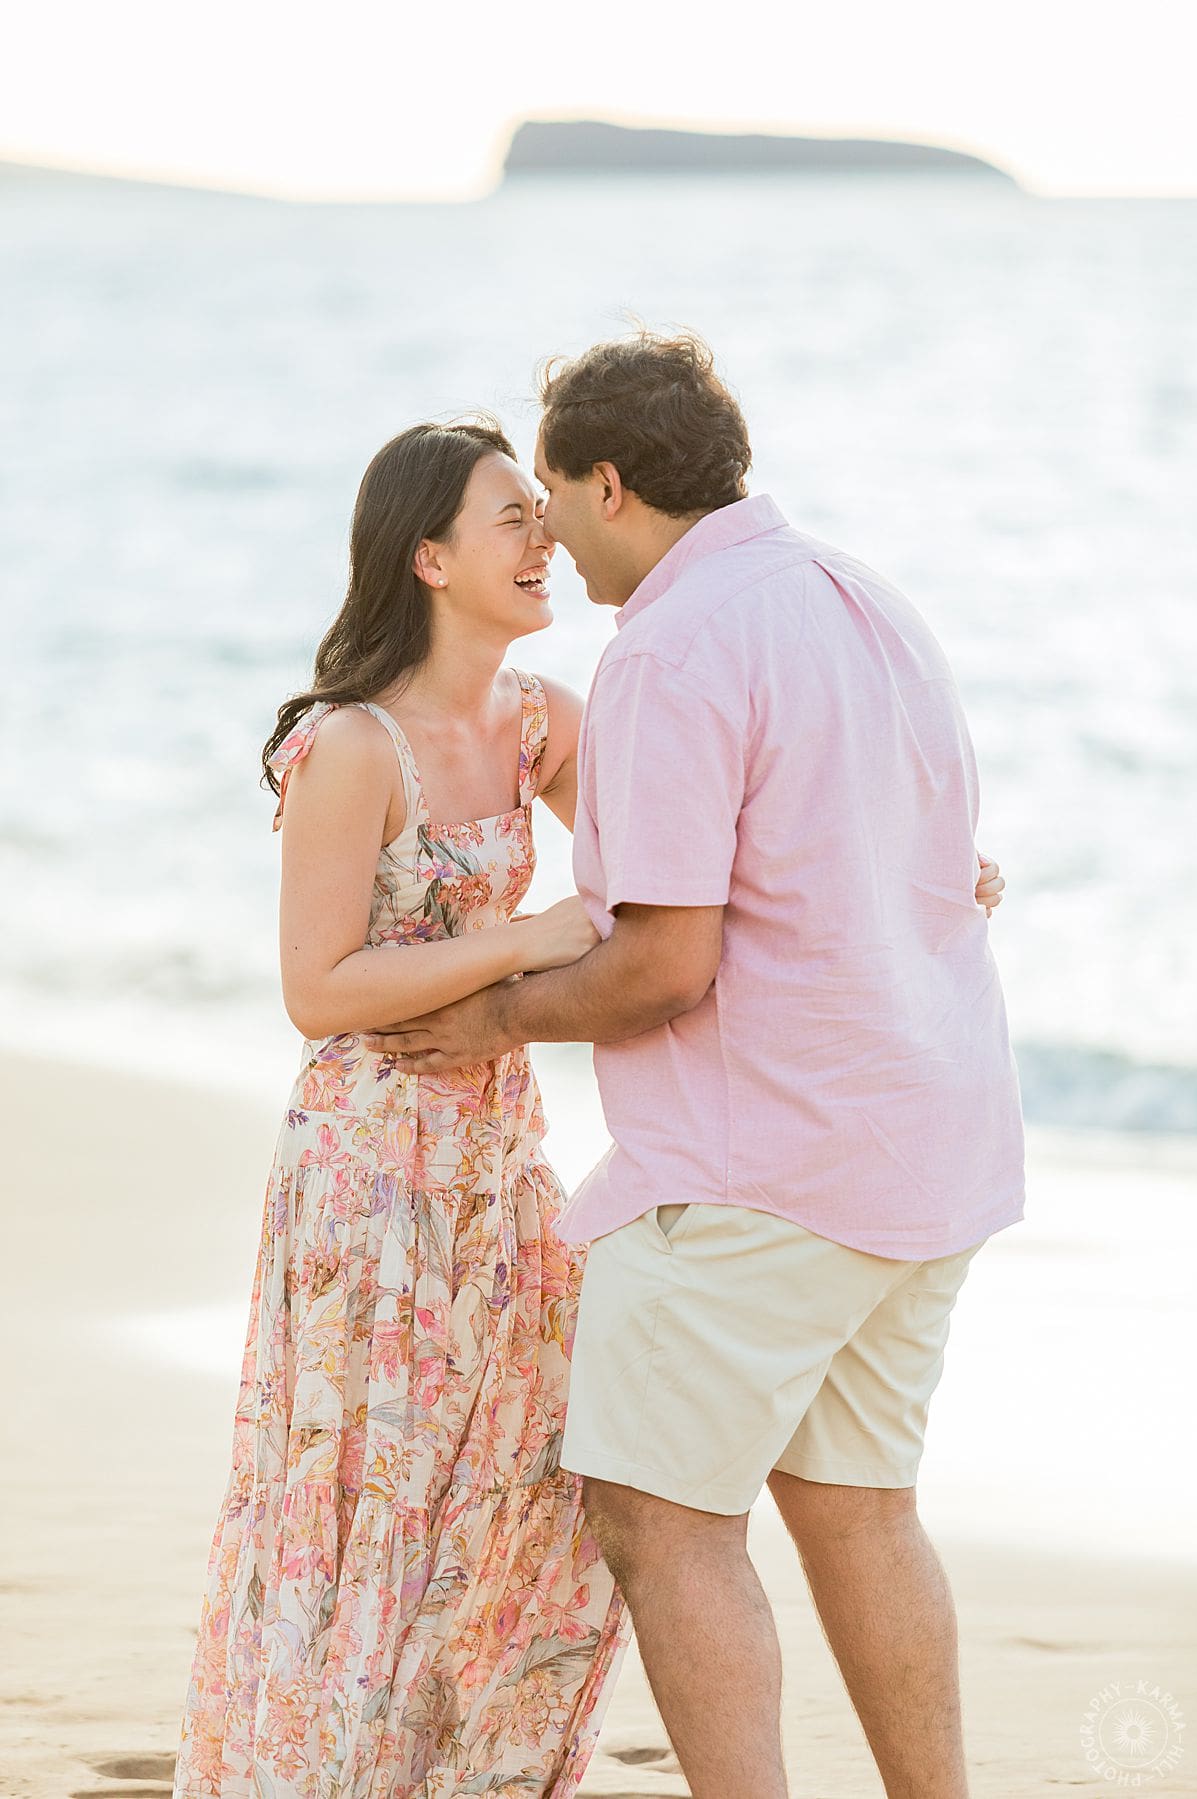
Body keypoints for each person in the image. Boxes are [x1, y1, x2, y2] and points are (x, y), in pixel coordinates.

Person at [365, 331, 1025, 1799]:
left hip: (766, 1169)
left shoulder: (668, 643)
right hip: (932, 1140)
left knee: (662, 1523)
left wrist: (492, 1019)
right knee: (858, 1508)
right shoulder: (866, 598)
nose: (548, 528)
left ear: (612, 483)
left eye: (552, 493)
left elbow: (668, 963)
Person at [171, 419, 632, 1799]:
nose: (543, 538)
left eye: (543, 515)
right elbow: (319, 988)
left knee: (521, 1475)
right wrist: (521, 942)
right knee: (360, 1495)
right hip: (368, 1172)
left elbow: (697, 827)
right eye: (511, 518)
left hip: (498, 1154)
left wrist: (914, 853)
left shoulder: (539, 716)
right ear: (429, 558)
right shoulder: (351, 745)